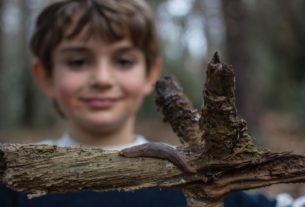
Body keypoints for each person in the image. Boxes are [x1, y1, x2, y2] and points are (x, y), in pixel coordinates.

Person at [0, 0, 300, 206]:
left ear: (150, 74)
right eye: (78, 61)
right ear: (44, 76)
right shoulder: (12, 181)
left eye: (123, 60)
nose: (102, 78)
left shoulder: (208, 177)